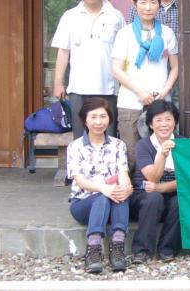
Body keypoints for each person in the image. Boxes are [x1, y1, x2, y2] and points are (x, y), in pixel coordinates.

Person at [52, 0, 126, 138]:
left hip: (109, 86)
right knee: (80, 136)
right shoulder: (70, 16)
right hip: (79, 87)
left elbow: (124, 53)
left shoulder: (116, 16)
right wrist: (58, 83)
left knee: (109, 135)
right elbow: (63, 52)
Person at [112, 0, 179, 165]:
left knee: (162, 152)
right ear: (134, 3)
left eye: (152, 2)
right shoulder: (124, 34)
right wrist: (139, 92)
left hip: (160, 102)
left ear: (159, 4)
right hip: (130, 102)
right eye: (143, 2)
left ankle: (158, 190)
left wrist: (165, 90)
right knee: (132, 154)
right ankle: (133, 192)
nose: (148, 7)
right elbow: (116, 69)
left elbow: (174, 67)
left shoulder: (167, 33)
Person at [66, 98, 132, 273]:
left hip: (113, 202)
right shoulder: (75, 147)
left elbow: (123, 175)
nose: (98, 122)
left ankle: (117, 248)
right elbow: (80, 181)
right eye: (93, 117)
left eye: (103, 116)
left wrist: (126, 188)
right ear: (85, 120)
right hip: (83, 204)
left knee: (120, 195)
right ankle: (93, 249)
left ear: (109, 119)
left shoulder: (118, 145)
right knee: (103, 197)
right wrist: (104, 188)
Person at [129, 100, 182, 263]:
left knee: (180, 201)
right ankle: (142, 249)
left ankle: (167, 248)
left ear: (174, 122)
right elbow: (151, 177)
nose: (164, 124)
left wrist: (161, 187)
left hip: (169, 193)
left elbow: (187, 180)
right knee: (153, 198)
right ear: (151, 124)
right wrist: (163, 155)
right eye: (158, 120)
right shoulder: (143, 145)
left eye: (168, 119)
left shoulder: (183, 143)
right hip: (143, 196)